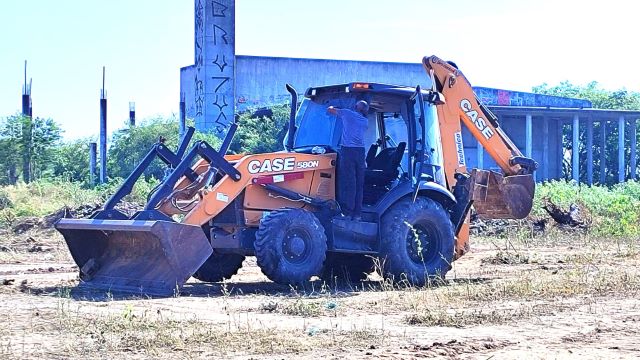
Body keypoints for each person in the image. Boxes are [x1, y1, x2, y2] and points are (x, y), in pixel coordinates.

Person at [327, 100, 369, 221]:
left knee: (348, 182)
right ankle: (358, 214)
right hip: (360, 152)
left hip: (348, 151)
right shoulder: (365, 121)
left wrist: (335, 105)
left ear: (355, 106)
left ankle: (347, 212)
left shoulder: (347, 113)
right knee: (359, 184)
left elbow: (329, 110)